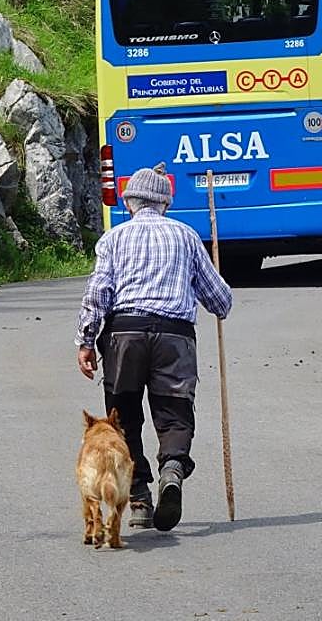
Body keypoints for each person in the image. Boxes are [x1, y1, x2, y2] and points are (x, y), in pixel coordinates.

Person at [74, 163, 232, 531]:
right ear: (164, 203)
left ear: (129, 202)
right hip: (174, 338)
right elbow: (219, 300)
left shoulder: (113, 239)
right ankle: (173, 470)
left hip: (123, 338)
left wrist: (85, 341)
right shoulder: (186, 236)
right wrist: (220, 299)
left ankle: (141, 498)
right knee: (174, 413)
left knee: (124, 418)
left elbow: (97, 295)